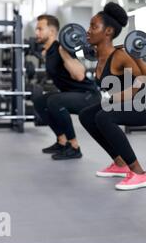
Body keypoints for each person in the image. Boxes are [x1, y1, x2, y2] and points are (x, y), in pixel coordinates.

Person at [79, 2, 146, 191]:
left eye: (93, 27)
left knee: (104, 116)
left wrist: (136, 55)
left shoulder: (120, 55)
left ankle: (139, 173)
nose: (88, 31)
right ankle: (120, 164)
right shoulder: (101, 58)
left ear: (108, 31)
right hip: (130, 101)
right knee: (86, 115)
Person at [33, 14, 101, 160]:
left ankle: (74, 146)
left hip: (89, 96)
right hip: (74, 94)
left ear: (52, 31)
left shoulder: (62, 48)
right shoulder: (50, 51)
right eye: (36, 29)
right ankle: (62, 141)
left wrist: (64, 53)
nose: (36, 32)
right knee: (40, 101)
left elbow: (80, 75)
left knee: (55, 101)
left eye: (40, 29)